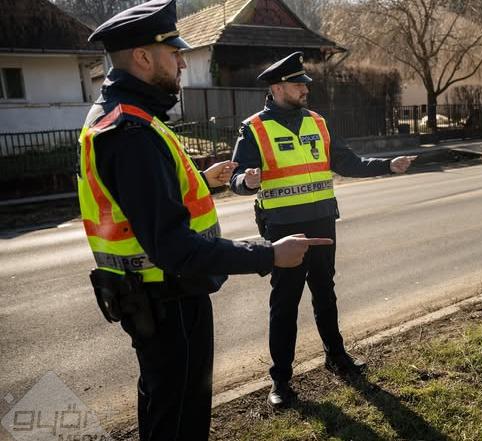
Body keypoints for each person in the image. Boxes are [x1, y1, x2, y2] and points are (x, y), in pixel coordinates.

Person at [79, 2, 331, 439]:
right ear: (143, 57)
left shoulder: (116, 116)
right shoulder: (132, 131)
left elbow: (140, 202)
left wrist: (200, 179)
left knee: (163, 407)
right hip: (169, 301)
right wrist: (269, 255)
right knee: (180, 420)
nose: (181, 63)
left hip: (153, 299)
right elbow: (173, 246)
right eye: (174, 53)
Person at [229, 52, 417, 407]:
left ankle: (337, 356)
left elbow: (347, 162)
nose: (306, 90)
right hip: (283, 230)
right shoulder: (254, 128)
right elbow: (236, 177)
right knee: (284, 304)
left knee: (325, 293)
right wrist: (246, 181)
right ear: (277, 88)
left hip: (321, 221)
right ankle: (280, 381)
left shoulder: (318, 122)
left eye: (305, 84)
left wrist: (387, 165)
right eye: (298, 85)